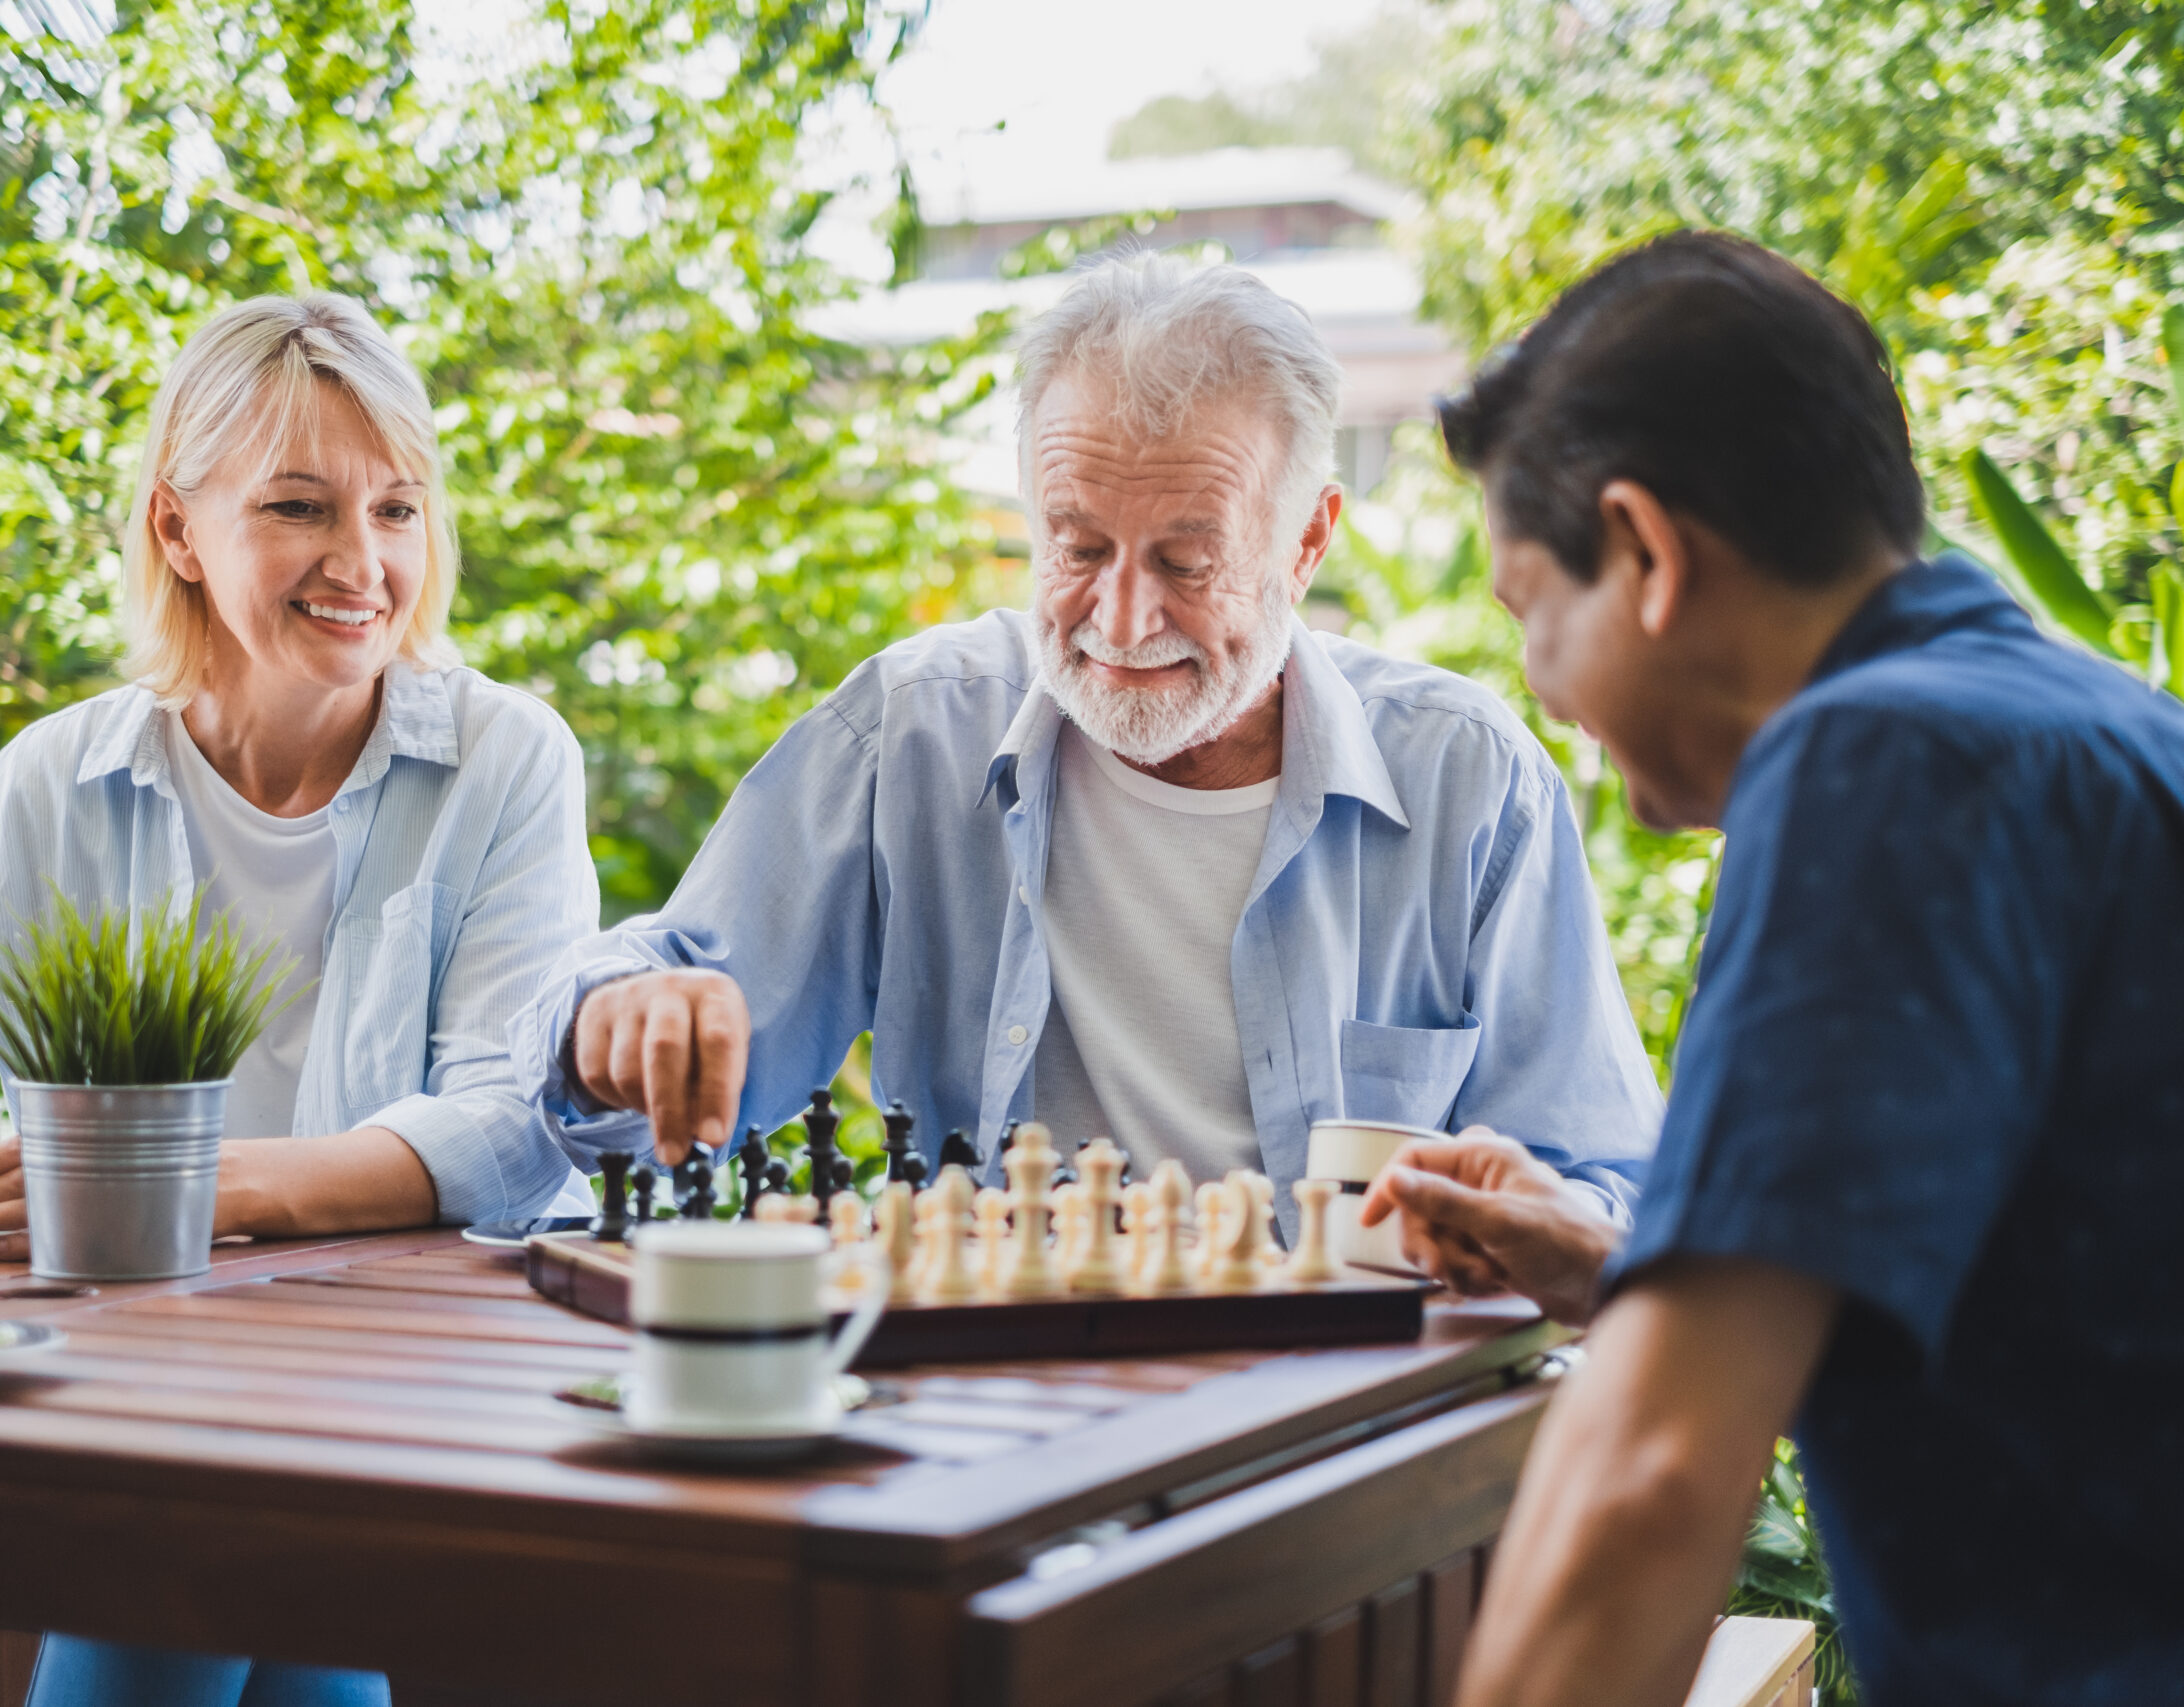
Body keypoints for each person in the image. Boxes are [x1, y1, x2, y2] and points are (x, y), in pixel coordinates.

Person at [0, 293, 604, 1705]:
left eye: (397, 509)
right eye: (300, 505)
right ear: (177, 528)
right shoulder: (56, 783)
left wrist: (165, 1186)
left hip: (407, 1392)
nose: (363, 561)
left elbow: (511, 1127)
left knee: (202, 1589)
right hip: (134, 1398)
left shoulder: (501, 759)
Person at [1366, 231, 2184, 1707]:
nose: (1543, 690)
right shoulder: (2089, 727)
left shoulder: (1881, 756)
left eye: (1530, 610)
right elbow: (2067, 1325)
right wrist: (1624, 1272)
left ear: (1648, 553)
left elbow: (1656, 1472)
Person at [507, 255, 1662, 1232]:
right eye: (1075, 548)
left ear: (1306, 543)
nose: (1118, 621)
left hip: (1350, 1429)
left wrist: (1532, 1224)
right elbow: (672, 1031)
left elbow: (1596, 1184)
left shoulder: (1467, 779)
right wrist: (614, 1017)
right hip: (1001, 1413)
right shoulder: (910, 731)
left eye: (1184, 562)